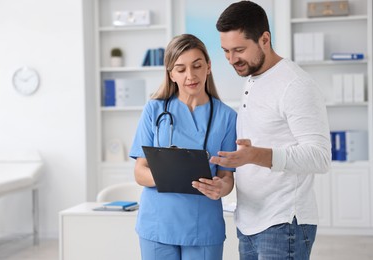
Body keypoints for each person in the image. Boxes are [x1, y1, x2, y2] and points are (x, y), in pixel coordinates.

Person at [209, 1, 332, 259]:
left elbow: (319, 157)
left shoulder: (295, 85)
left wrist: (256, 156)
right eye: (226, 51)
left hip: (284, 223)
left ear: (264, 38)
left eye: (239, 50)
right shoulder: (253, 78)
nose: (232, 60)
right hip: (249, 221)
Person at [129, 33, 237, 260]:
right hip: (158, 223)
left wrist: (221, 188)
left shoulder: (227, 117)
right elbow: (140, 172)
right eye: (181, 69)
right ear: (171, 74)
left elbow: (227, 177)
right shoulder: (154, 110)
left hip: (203, 226)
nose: (190, 75)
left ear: (208, 66)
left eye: (197, 66)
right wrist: (174, 176)